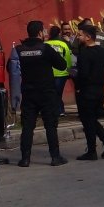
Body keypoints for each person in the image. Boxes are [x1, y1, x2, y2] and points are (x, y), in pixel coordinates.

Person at [15, 20, 68, 167]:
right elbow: (62, 64)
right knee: (50, 125)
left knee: (27, 127)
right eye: (43, 31)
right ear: (39, 33)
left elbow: (11, 67)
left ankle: (25, 159)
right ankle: (55, 157)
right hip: (46, 93)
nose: (45, 33)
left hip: (28, 93)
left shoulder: (19, 50)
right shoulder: (46, 49)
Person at [74, 23, 104, 160]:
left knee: (88, 121)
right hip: (99, 90)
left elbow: (83, 74)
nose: (78, 37)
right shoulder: (102, 51)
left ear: (88, 37)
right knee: (92, 119)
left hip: (87, 91)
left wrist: (76, 82)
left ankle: (93, 150)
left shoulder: (84, 54)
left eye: (80, 35)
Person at [45, 25, 73, 116]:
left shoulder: (45, 44)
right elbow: (68, 59)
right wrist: (69, 71)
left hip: (48, 73)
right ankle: (60, 110)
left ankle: (55, 110)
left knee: (51, 92)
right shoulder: (63, 44)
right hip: (61, 73)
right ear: (59, 33)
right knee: (58, 93)